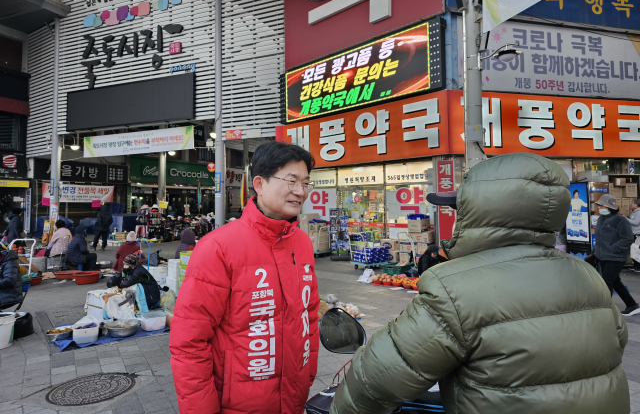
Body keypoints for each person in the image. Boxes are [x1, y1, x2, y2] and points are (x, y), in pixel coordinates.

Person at [330, 153, 630, 414]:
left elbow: (377, 380)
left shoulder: (455, 287)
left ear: (477, 213)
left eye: (458, 210)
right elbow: (616, 342)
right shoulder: (587, 274)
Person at [170, 141, 320, 414]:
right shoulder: (217, 247)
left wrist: (308, 373)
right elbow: (189, 342)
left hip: (293, 397)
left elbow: (308, 316)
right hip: (238, 404)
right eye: (291, 180)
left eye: (307, 182)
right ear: (260, 184)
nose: (301, 191)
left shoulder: (302, 243)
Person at [594, 194, 639, 316]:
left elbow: (627, 238)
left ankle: (605, 310)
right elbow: (600, 238)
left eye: (601, 205)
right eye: (598, 205)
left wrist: (612, 248)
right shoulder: (601, 219)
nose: (598, 207)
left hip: (615, 257)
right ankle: (632, 305)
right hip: (602, 256)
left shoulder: (621, 220)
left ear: (609, 206)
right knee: (615, 282)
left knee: (606, 283)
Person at [628, 198, 640, 272]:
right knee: (633, 250)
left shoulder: (639, 213)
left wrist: (625, 219)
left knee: (637, 251)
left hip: (637, 234)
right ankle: (635, 266)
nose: (630, 205)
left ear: (636, 205)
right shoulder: (633, 212)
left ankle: (638, 267)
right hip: (633, 234)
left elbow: (636, 222)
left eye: (632, 203)